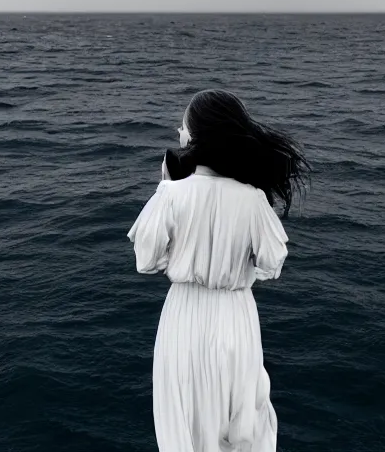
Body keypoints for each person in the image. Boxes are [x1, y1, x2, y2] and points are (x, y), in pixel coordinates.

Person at [127, 89, 311, 452]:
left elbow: (146, 261)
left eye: (182, 127)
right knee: (243, 415)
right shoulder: (253, 199)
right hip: (236, 313)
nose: (178, 133)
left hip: (185, 314)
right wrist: (236, 274)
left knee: (183, 420)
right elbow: (272, 263)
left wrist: (182, 257)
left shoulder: (171, 194)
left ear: (196, 137)